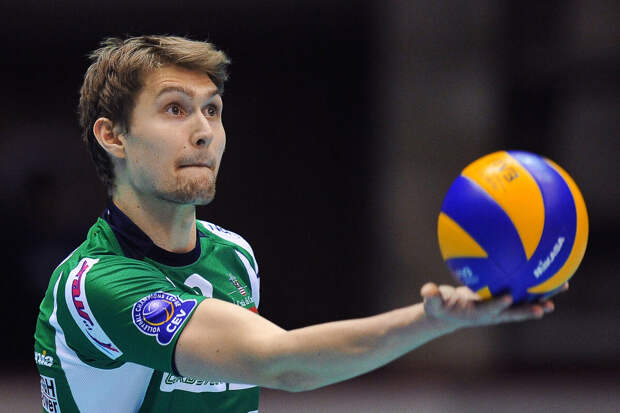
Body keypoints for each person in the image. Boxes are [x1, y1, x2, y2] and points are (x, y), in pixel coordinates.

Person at [34, 35, 561, 413]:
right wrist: (435, 320)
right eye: (175, 109)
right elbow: (283, 365)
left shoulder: (232, 255)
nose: (204, 132)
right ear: (113, 136)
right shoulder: (94, 285)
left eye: (212, 111)